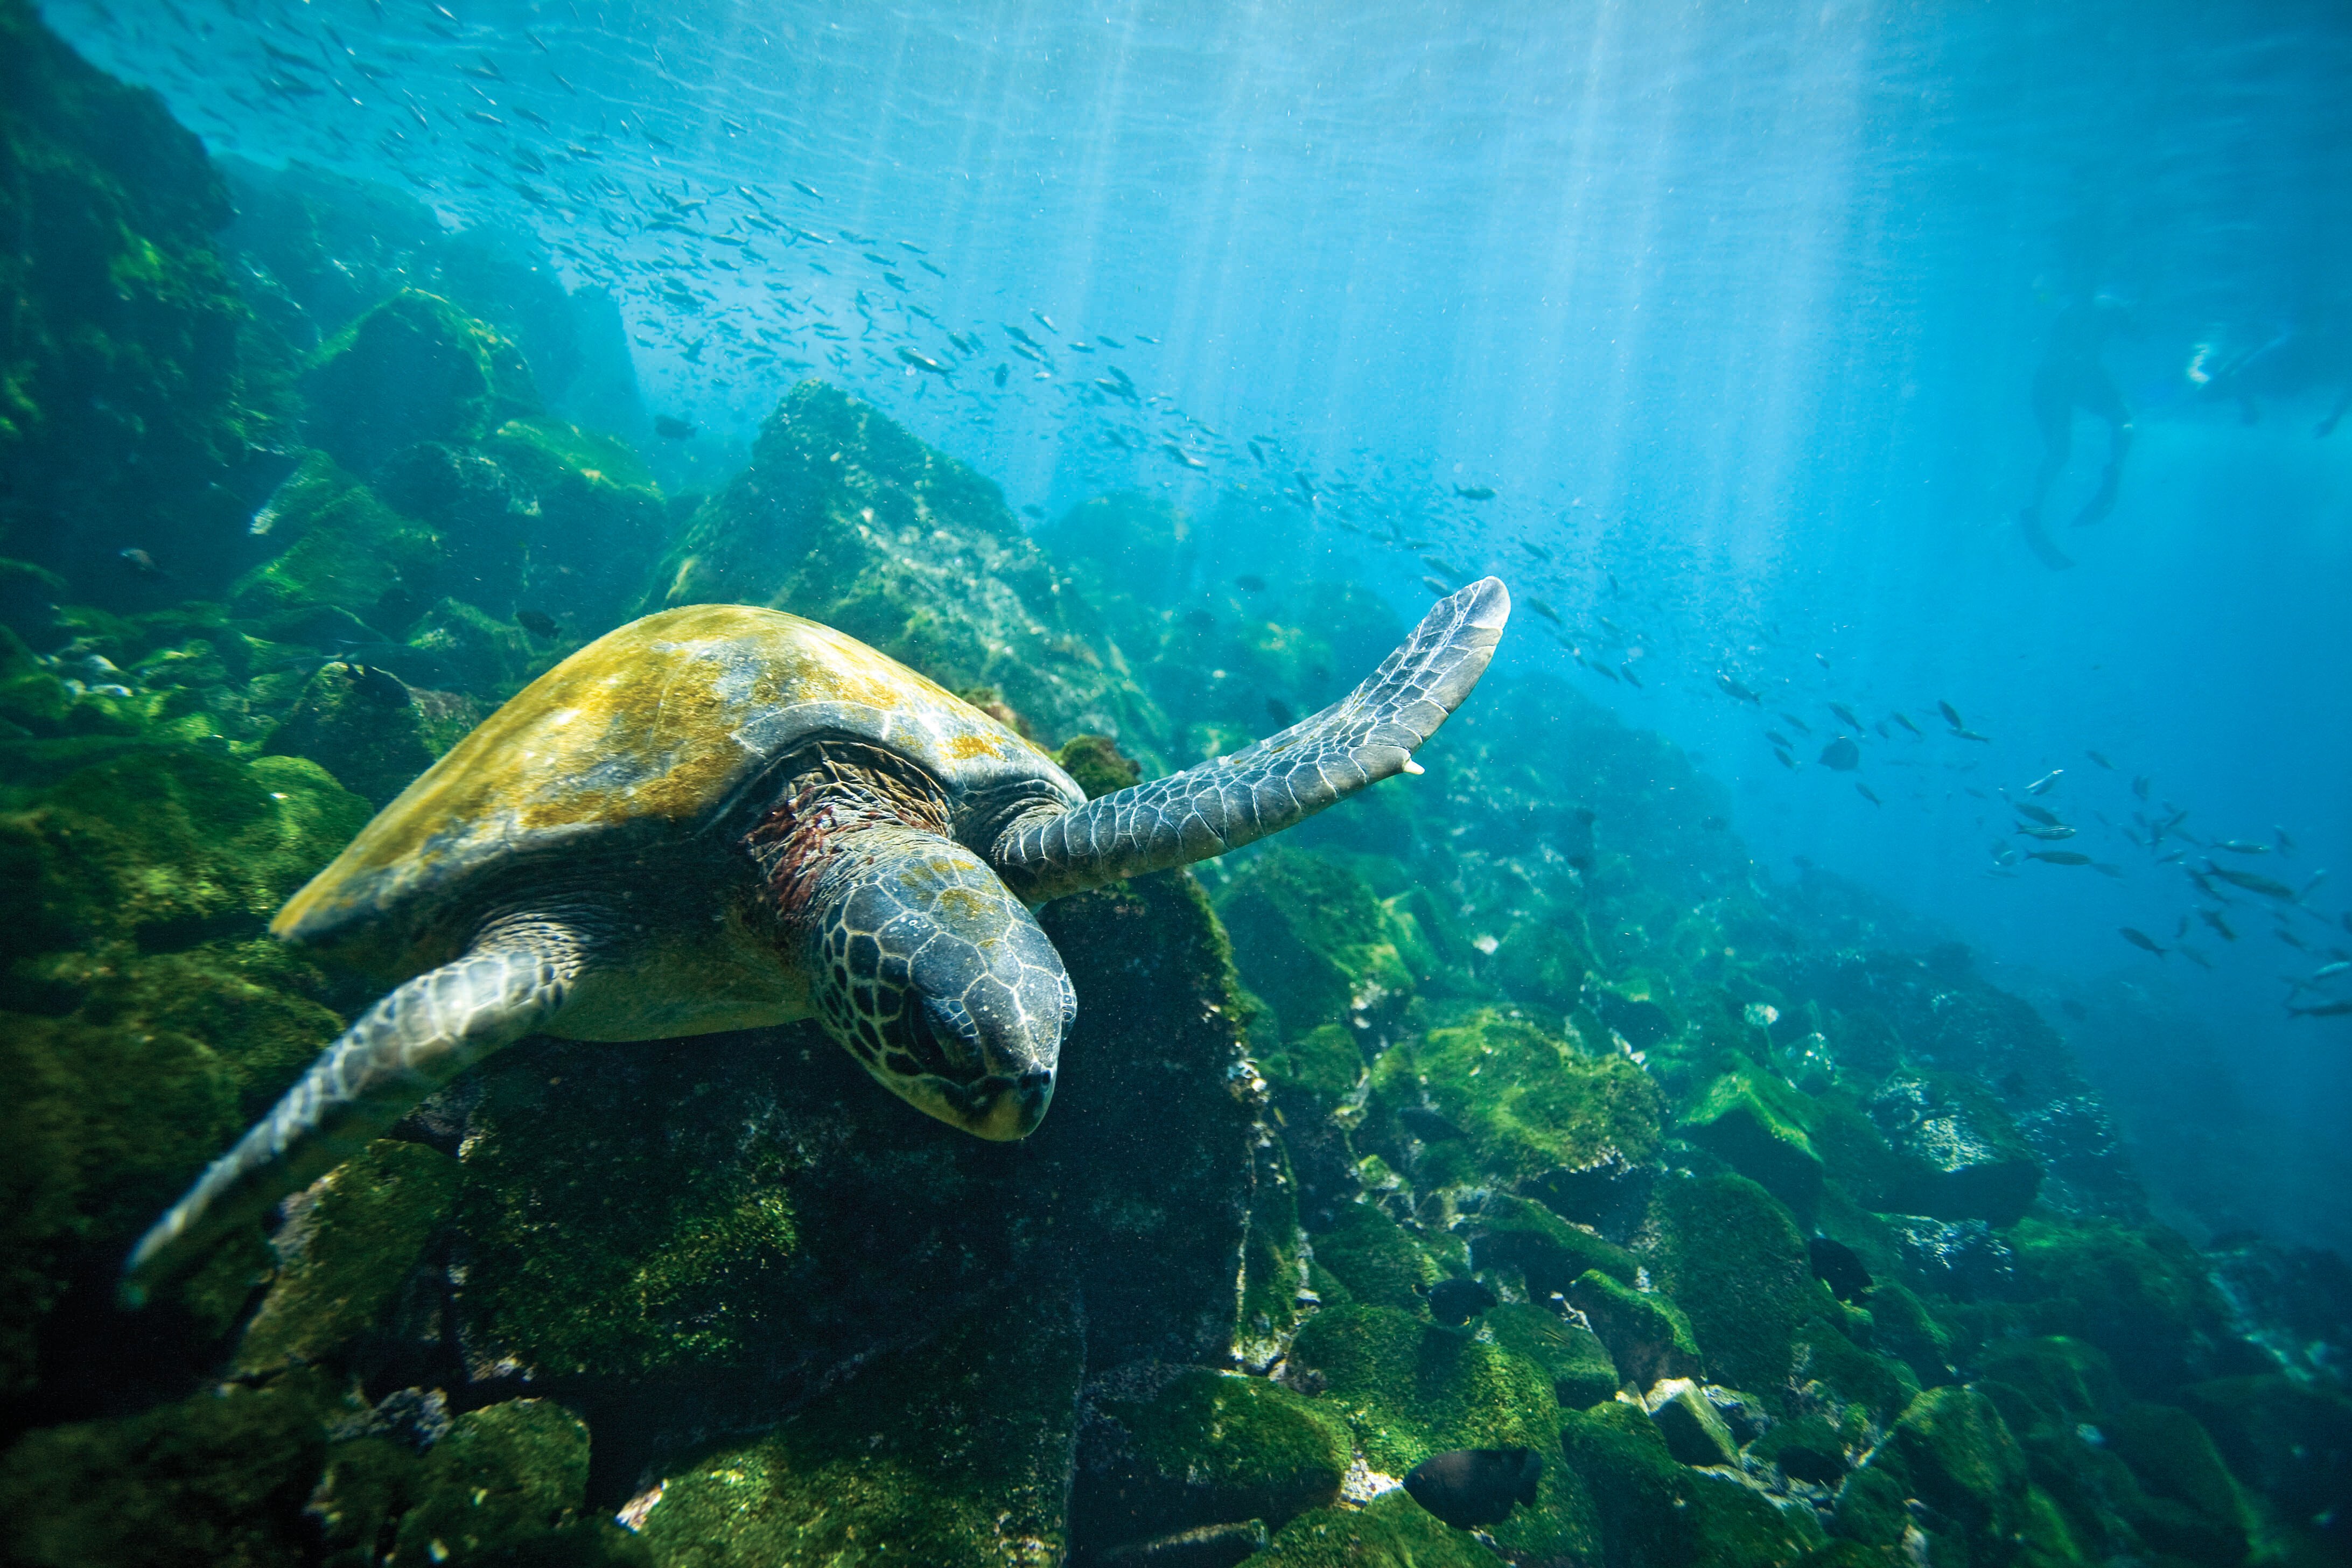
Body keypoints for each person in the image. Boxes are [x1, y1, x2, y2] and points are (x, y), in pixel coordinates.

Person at [2018, 288, 2134, 568]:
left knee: (2061, 452)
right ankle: (2113, 476)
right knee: (2123, 422)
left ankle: (2034, 511)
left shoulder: (2083, 307)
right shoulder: (2110, 306)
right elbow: (2137, 335)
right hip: (2065, 378)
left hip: (2055, 379)